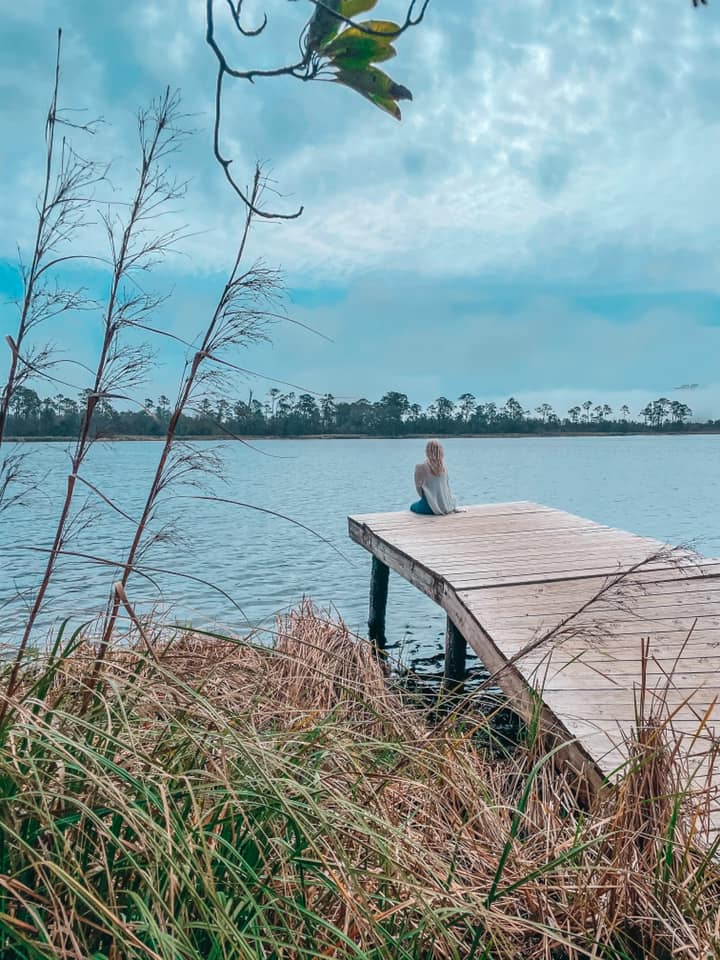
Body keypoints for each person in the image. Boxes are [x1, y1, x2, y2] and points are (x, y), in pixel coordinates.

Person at [410, 440, 460, 515]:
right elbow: (447, 489)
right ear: (441, 451)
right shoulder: (443, 468)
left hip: (428, 507)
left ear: (427, 451)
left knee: (412, 506)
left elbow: (419, 490)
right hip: (445, 506)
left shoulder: (420, 467)